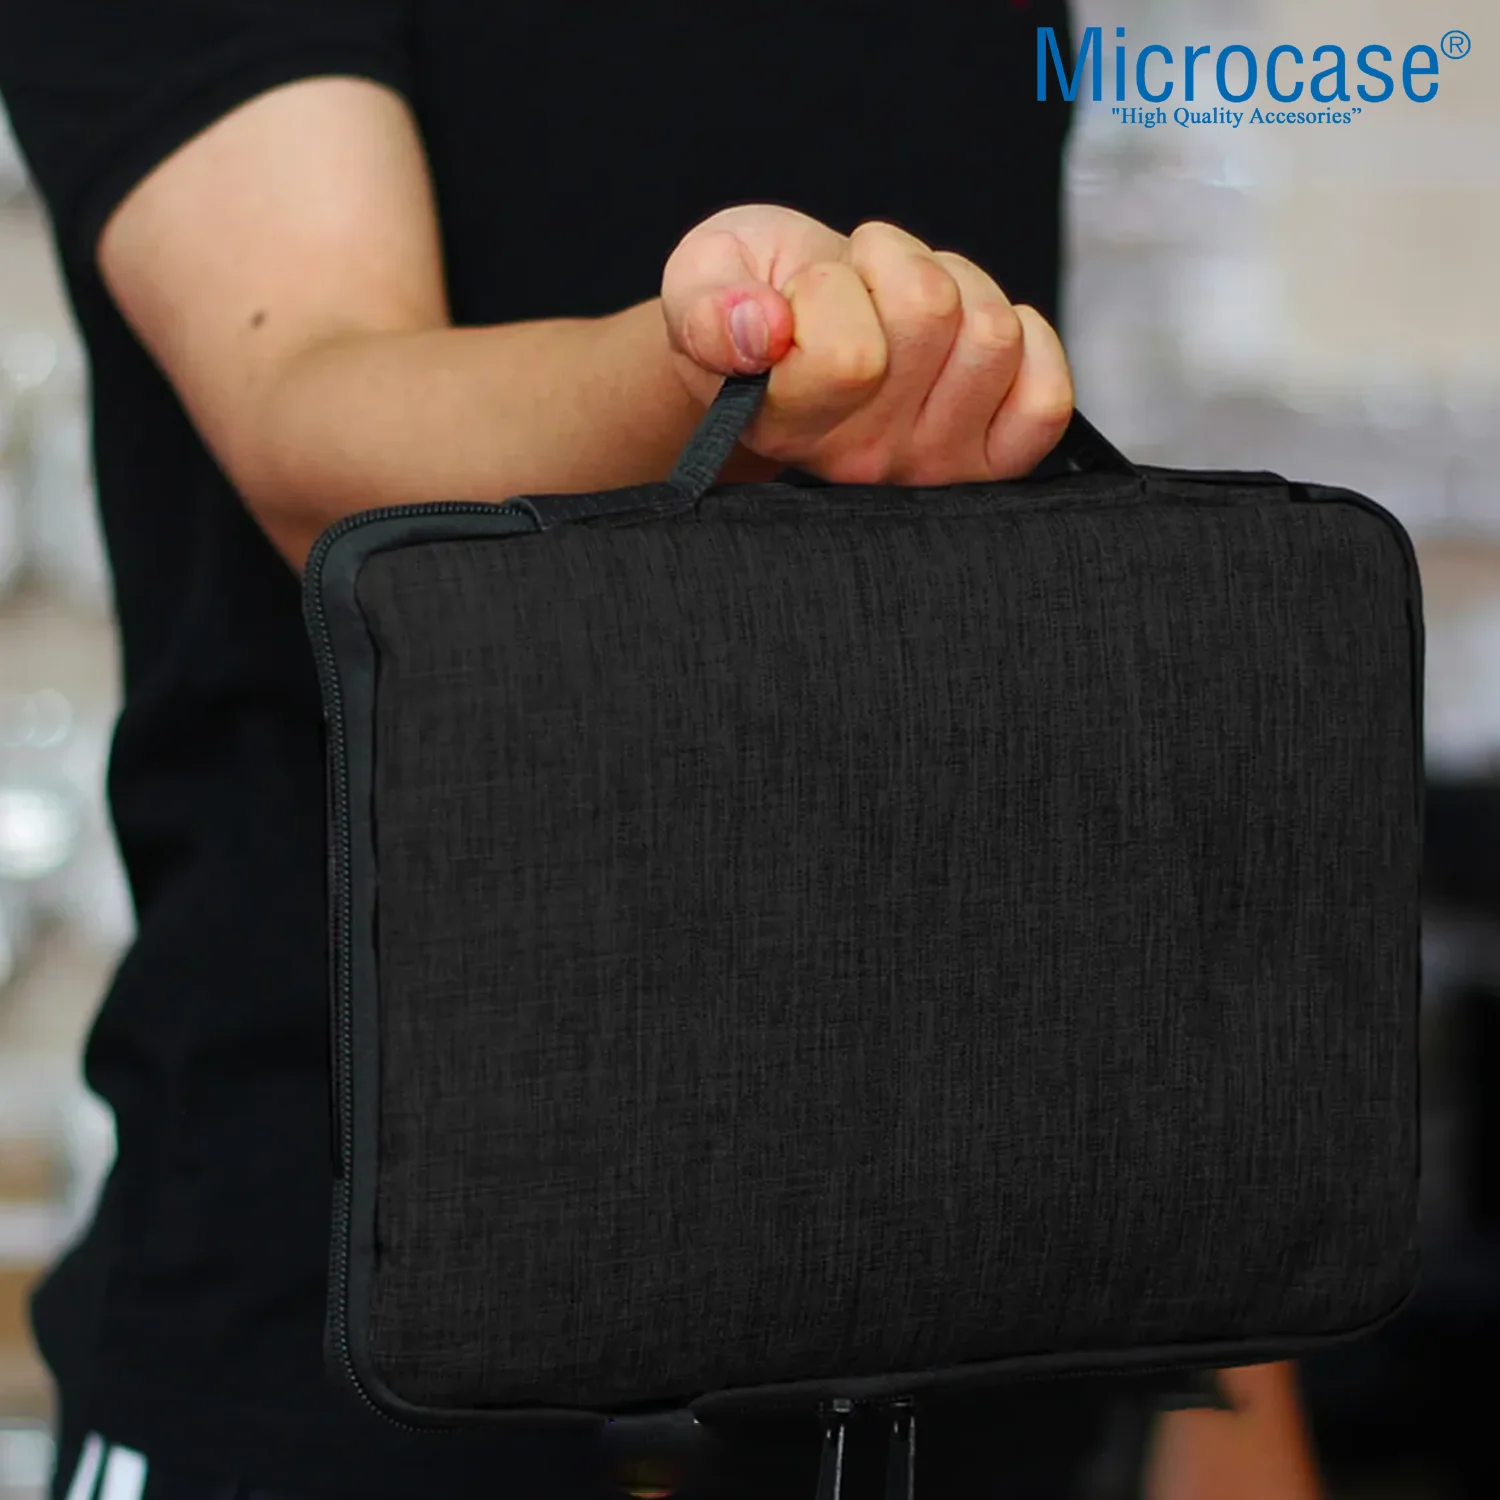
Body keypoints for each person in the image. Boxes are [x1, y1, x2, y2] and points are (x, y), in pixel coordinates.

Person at [0, 4, 1324, 1497]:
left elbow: (997, 599)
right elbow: (321, 423)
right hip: (358, 1341)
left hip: (983, 1345)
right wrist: (727, 373)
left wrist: (1231, 1359)